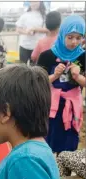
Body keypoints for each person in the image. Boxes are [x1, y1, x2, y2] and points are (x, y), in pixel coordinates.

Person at [37, 15, 85, 154]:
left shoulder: (83, 56)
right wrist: (54, 76)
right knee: (48, 140)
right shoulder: (47, 56)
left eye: (79, 37)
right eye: (70, 37)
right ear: (62, 34)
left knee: (69, 143)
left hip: (72, 107)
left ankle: (67, 171)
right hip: (51, 107)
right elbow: (37, 82)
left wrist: (78, 76)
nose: (74, 42)